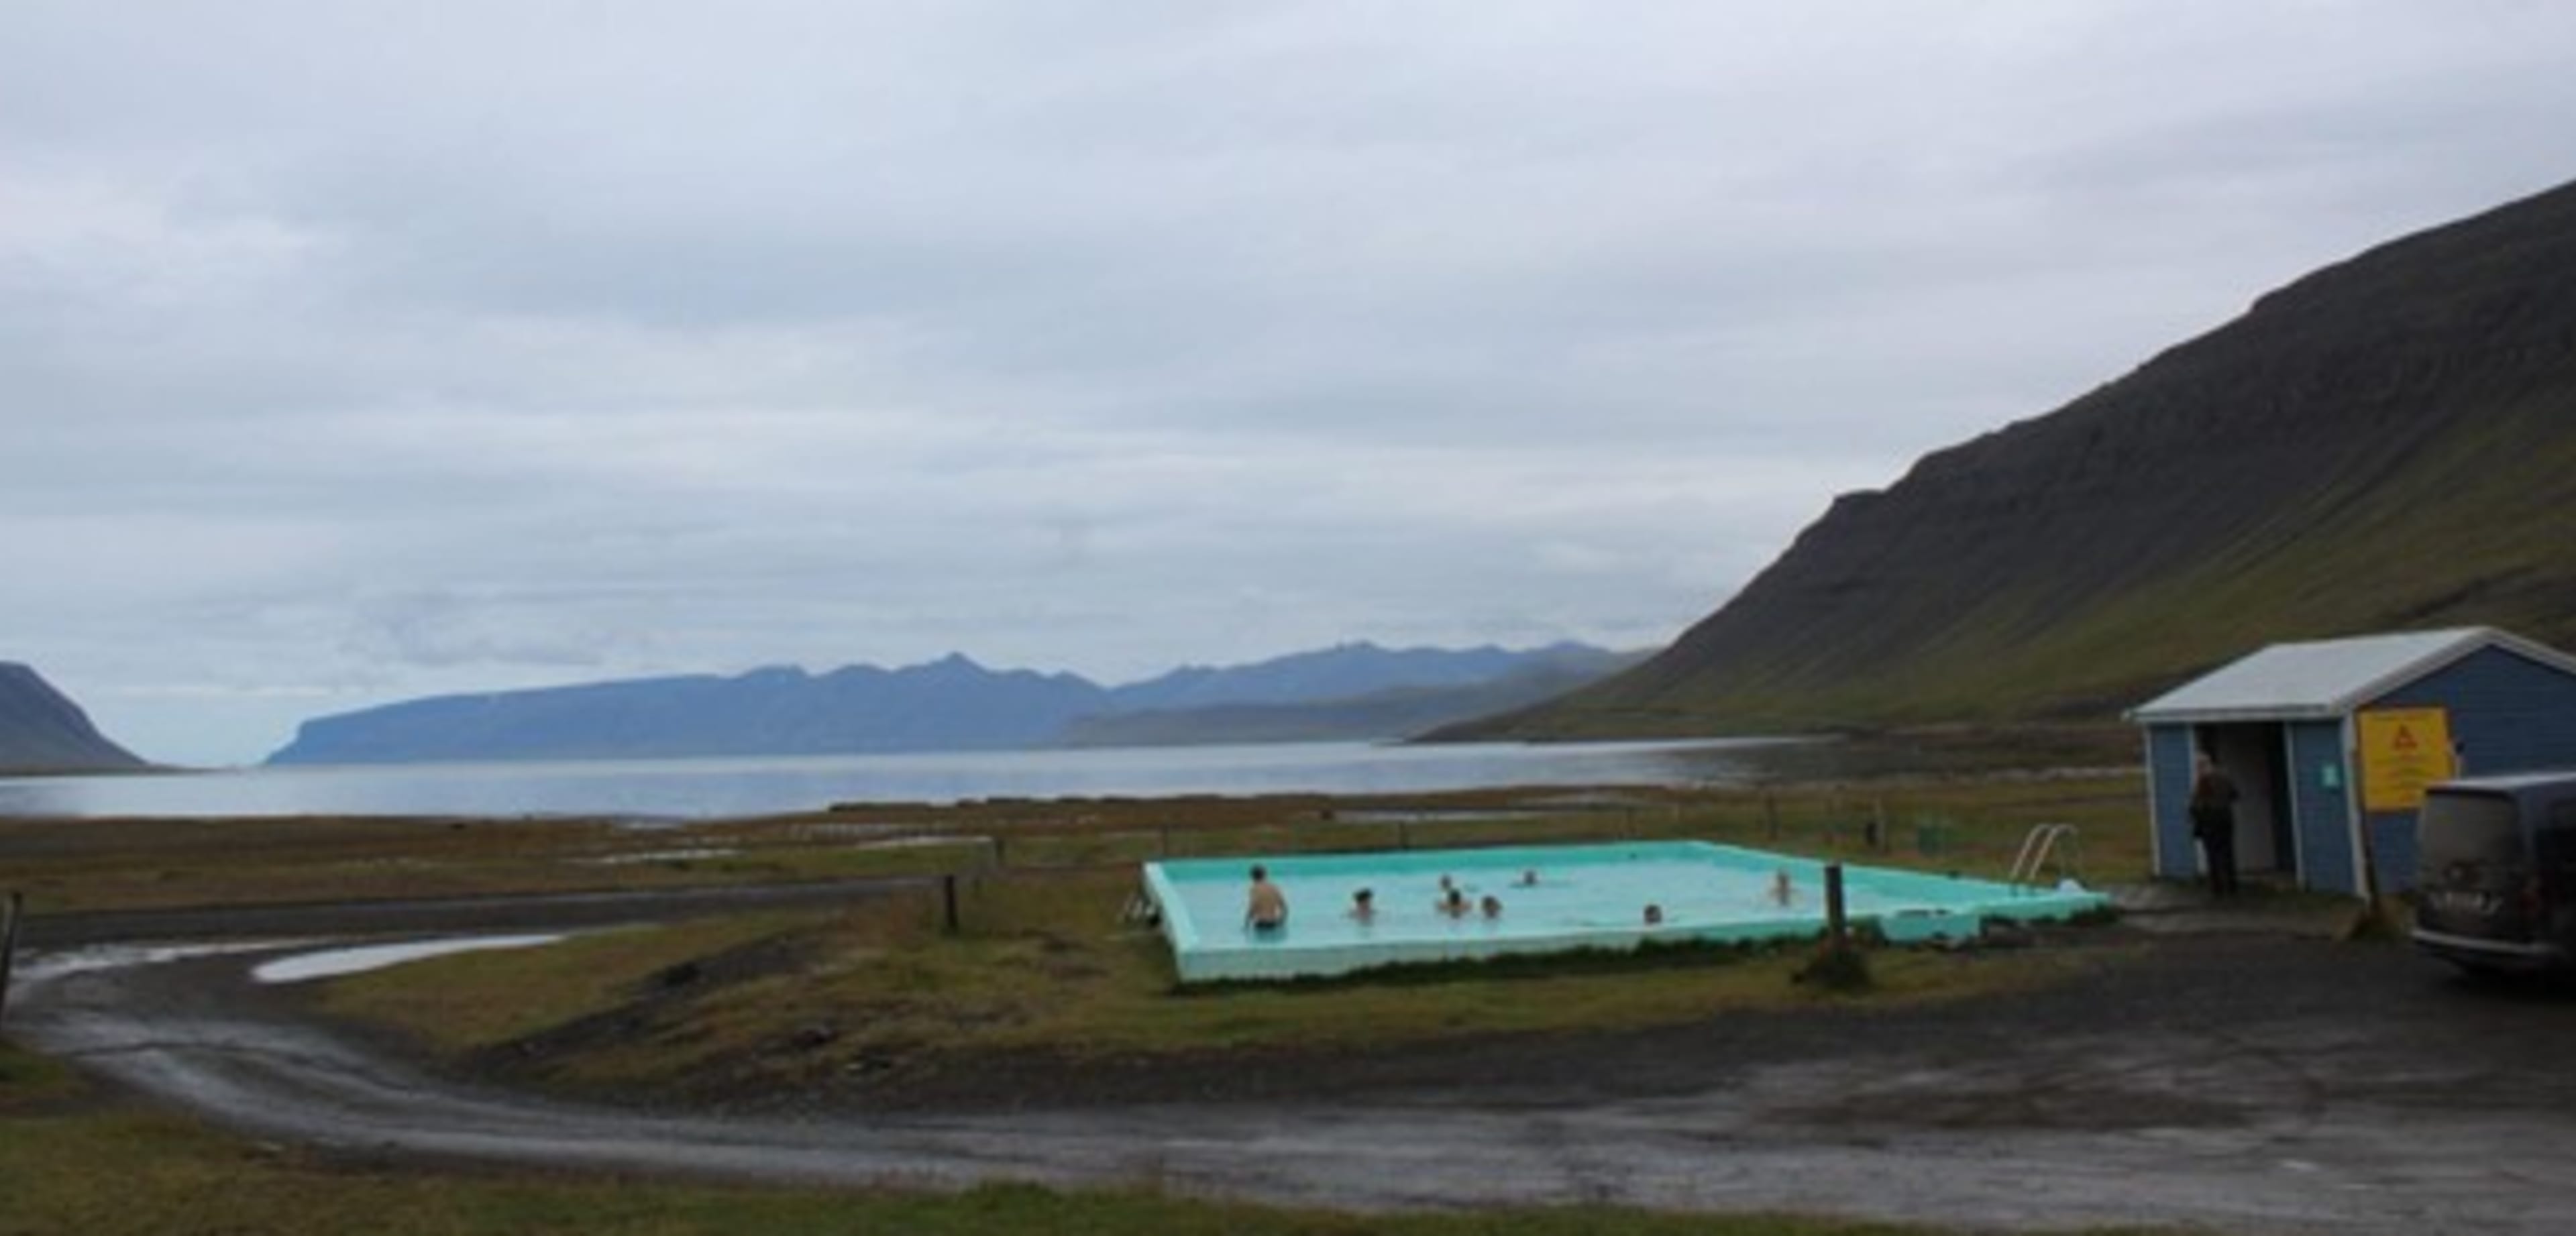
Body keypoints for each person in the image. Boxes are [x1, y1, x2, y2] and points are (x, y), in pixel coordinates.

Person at [2188, 754, 2241, 897]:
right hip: (2226, 819)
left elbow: (2196, 805)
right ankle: (2232, 886)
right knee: (2228, 853)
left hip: (2210, 822)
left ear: (2201, 766)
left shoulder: (2203, 782)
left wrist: (2194, 817)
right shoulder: (2225, 778)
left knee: (2213, 855)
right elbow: (2235, 795)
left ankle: (2217, 888)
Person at [1244, 864, 1289, 931]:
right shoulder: (1274, 888)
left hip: (1261, 923)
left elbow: (1253, 908)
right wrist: (1282, 921)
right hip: (1274, 923)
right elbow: (1284, 908)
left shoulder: (1254, 889)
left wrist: (1246, 924)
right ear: (1265, 875)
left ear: (1252, 877)